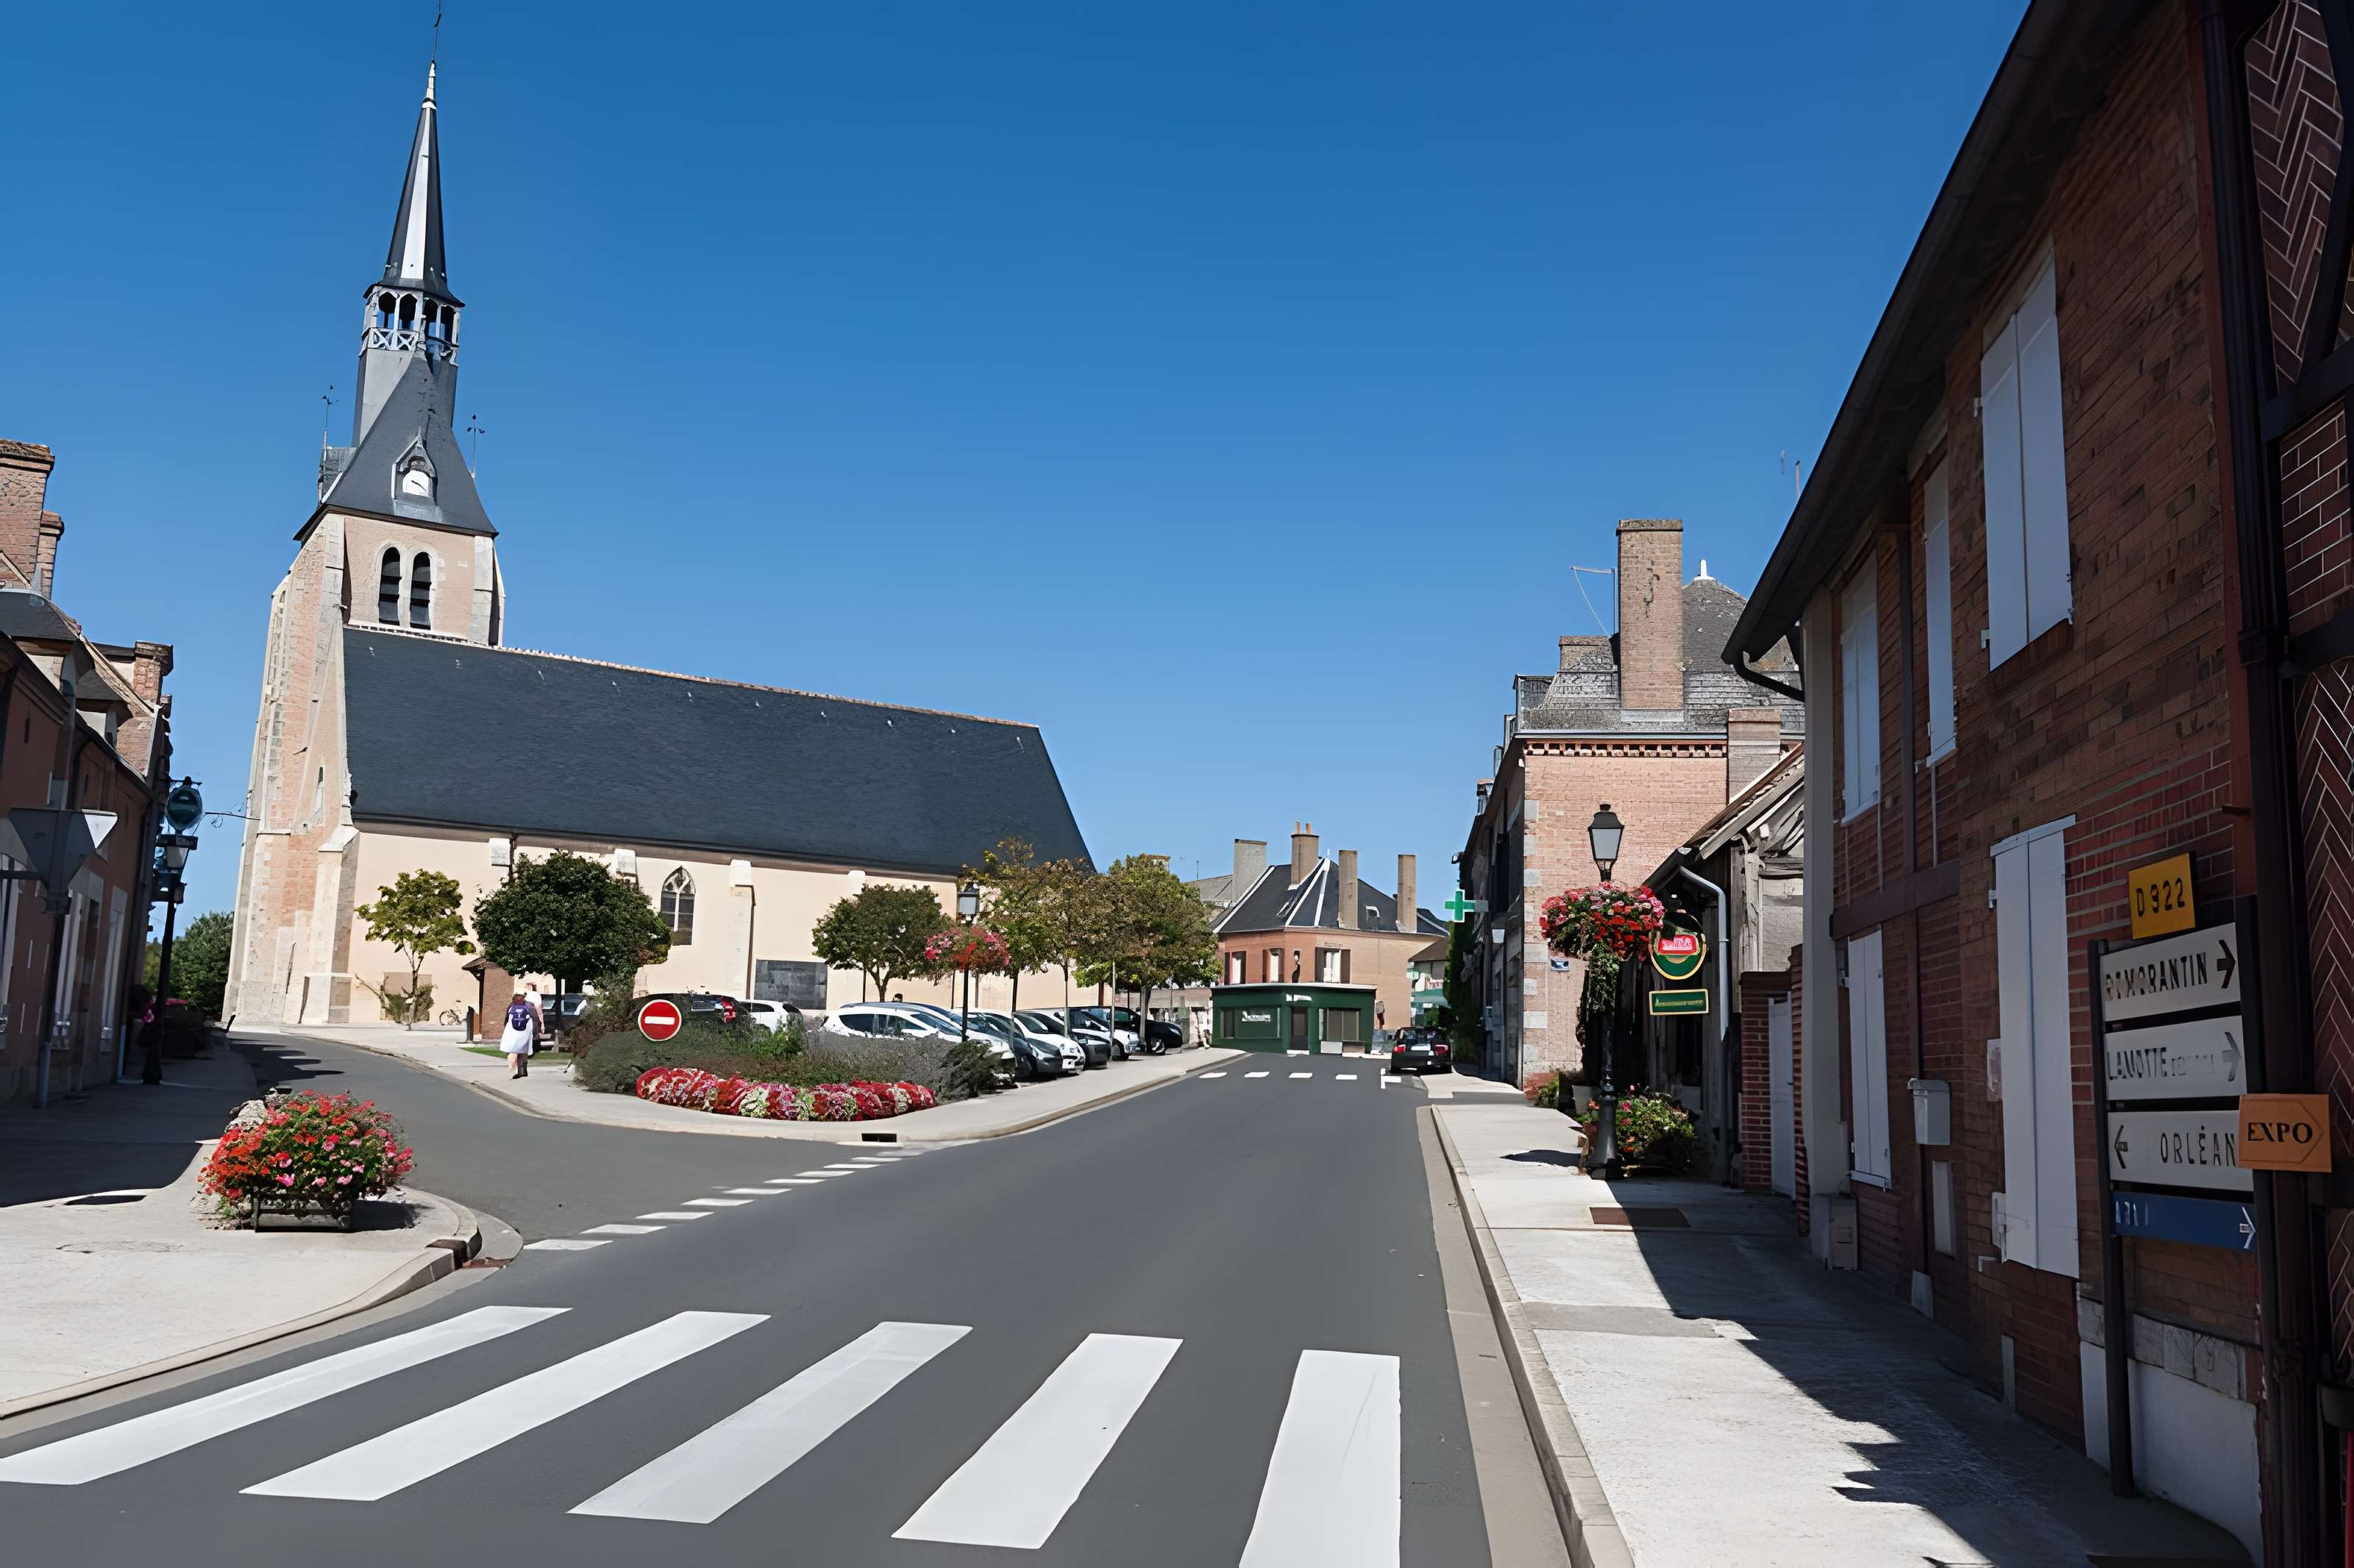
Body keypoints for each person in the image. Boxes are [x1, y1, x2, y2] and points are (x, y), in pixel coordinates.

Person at [499, 988, 536, 1079]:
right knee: (523, 1052)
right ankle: (523, 1071)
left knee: (513, 1052)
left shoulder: (511, 1005)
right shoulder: (530, 1005)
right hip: (525, 1032)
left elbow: (507, 1019)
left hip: (513, 1032)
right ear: (524, 996)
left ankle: (513, 1072)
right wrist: (535, 1032)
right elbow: (535, 1019)